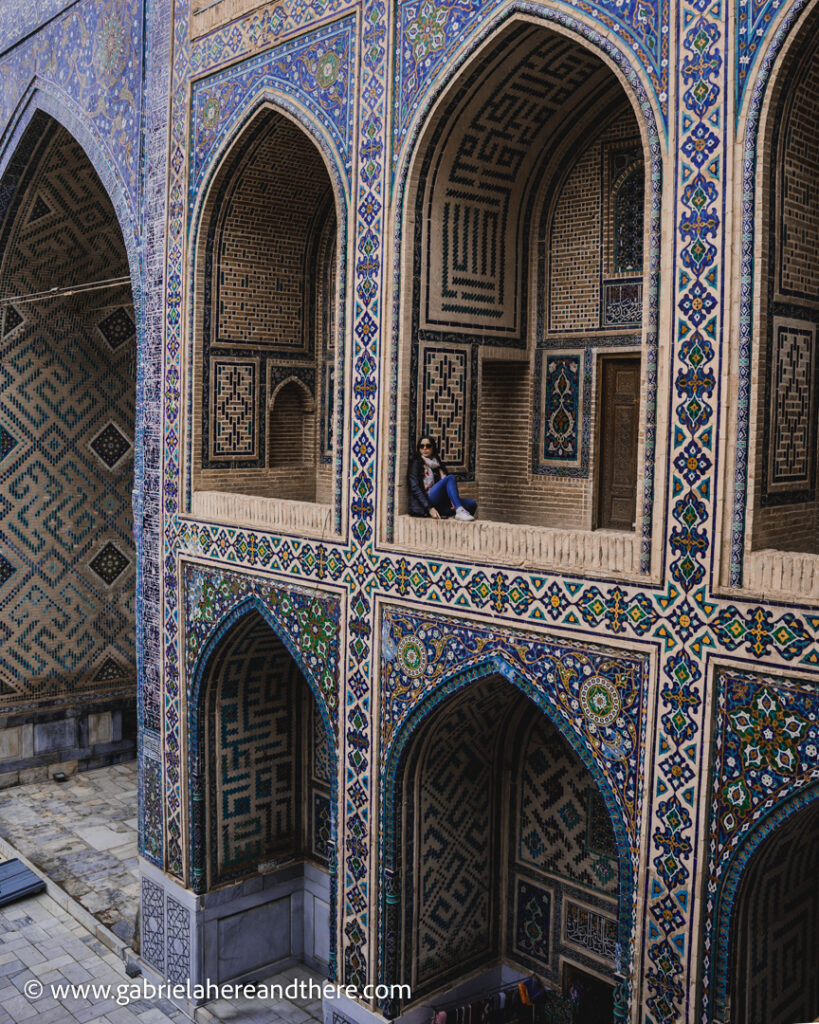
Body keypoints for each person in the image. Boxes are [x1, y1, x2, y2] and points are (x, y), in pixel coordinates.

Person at [407, 436, 477, 521]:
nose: (424, 448)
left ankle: (458, 514)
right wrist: (430, 508)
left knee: (471, 504)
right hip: (426, 502)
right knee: (450, 478)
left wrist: (452, 500)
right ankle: (459, 510)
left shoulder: (437, 464)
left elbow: (446, 487)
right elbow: (415, 488)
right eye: (422, 446)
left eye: (428, 446)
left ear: (433, 447)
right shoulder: (416, 464)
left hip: (440, 503)